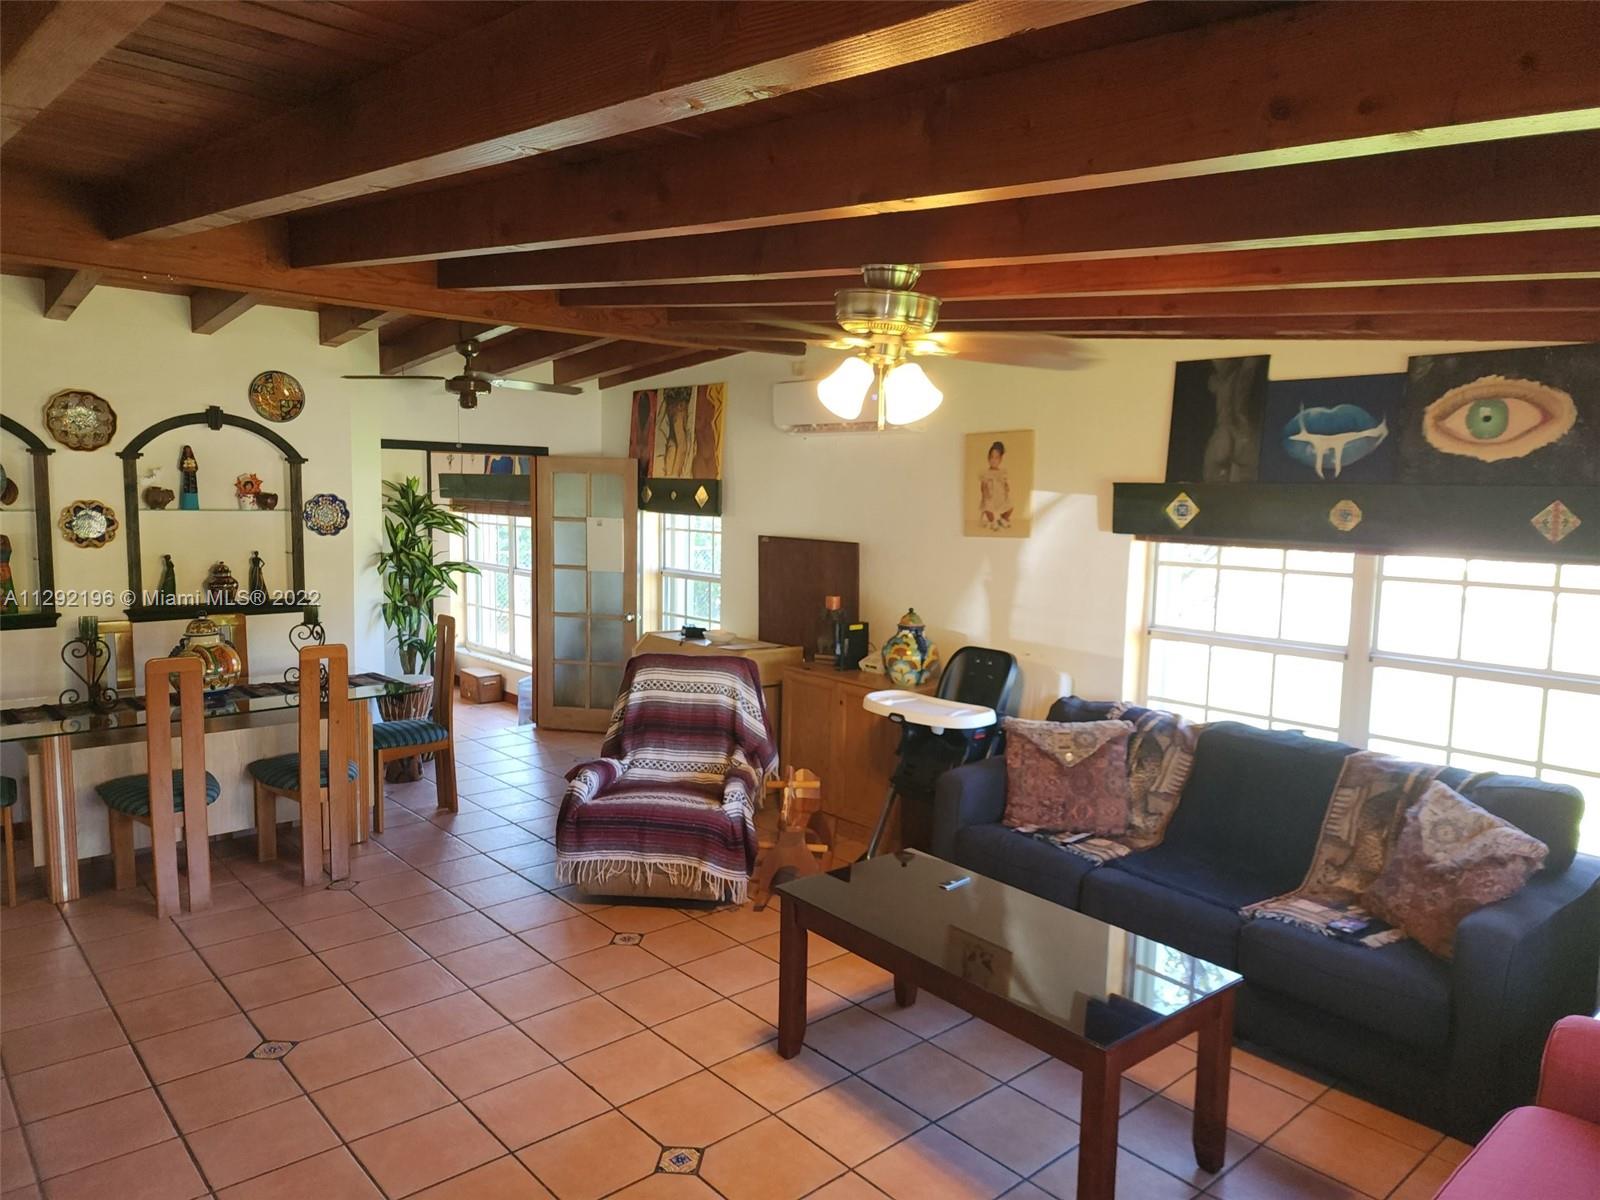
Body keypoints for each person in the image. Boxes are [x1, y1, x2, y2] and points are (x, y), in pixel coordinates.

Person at [978, 440, 1013, 530]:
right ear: (988, 458)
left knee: (1010, 508)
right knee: (987, 508)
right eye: (991, 457)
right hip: (990, 496)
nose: (994, 460)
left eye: (996, 458)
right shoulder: (986, 473)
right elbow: (983, 486)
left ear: (1000, 459)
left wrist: (1007, 488)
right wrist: (985, 494)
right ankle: (992, 521)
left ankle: (1003, 519)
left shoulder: (1002, 472)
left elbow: (1005, 484)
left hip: (1000, 496)